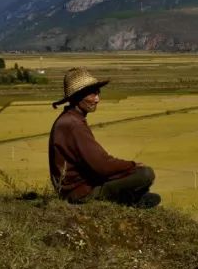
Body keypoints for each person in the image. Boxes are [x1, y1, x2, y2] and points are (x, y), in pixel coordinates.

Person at [48, 67, 160, 208]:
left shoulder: (70, 120)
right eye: (92, 94)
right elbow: (102, 165)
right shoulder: (74, 125)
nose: (97, 99)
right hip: (80, 194)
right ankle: (129, 199)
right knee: (145, 174)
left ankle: (131, 197)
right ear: (78, 96)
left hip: (79, 187)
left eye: (98, 94)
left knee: (133, 175)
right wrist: (131, 166)